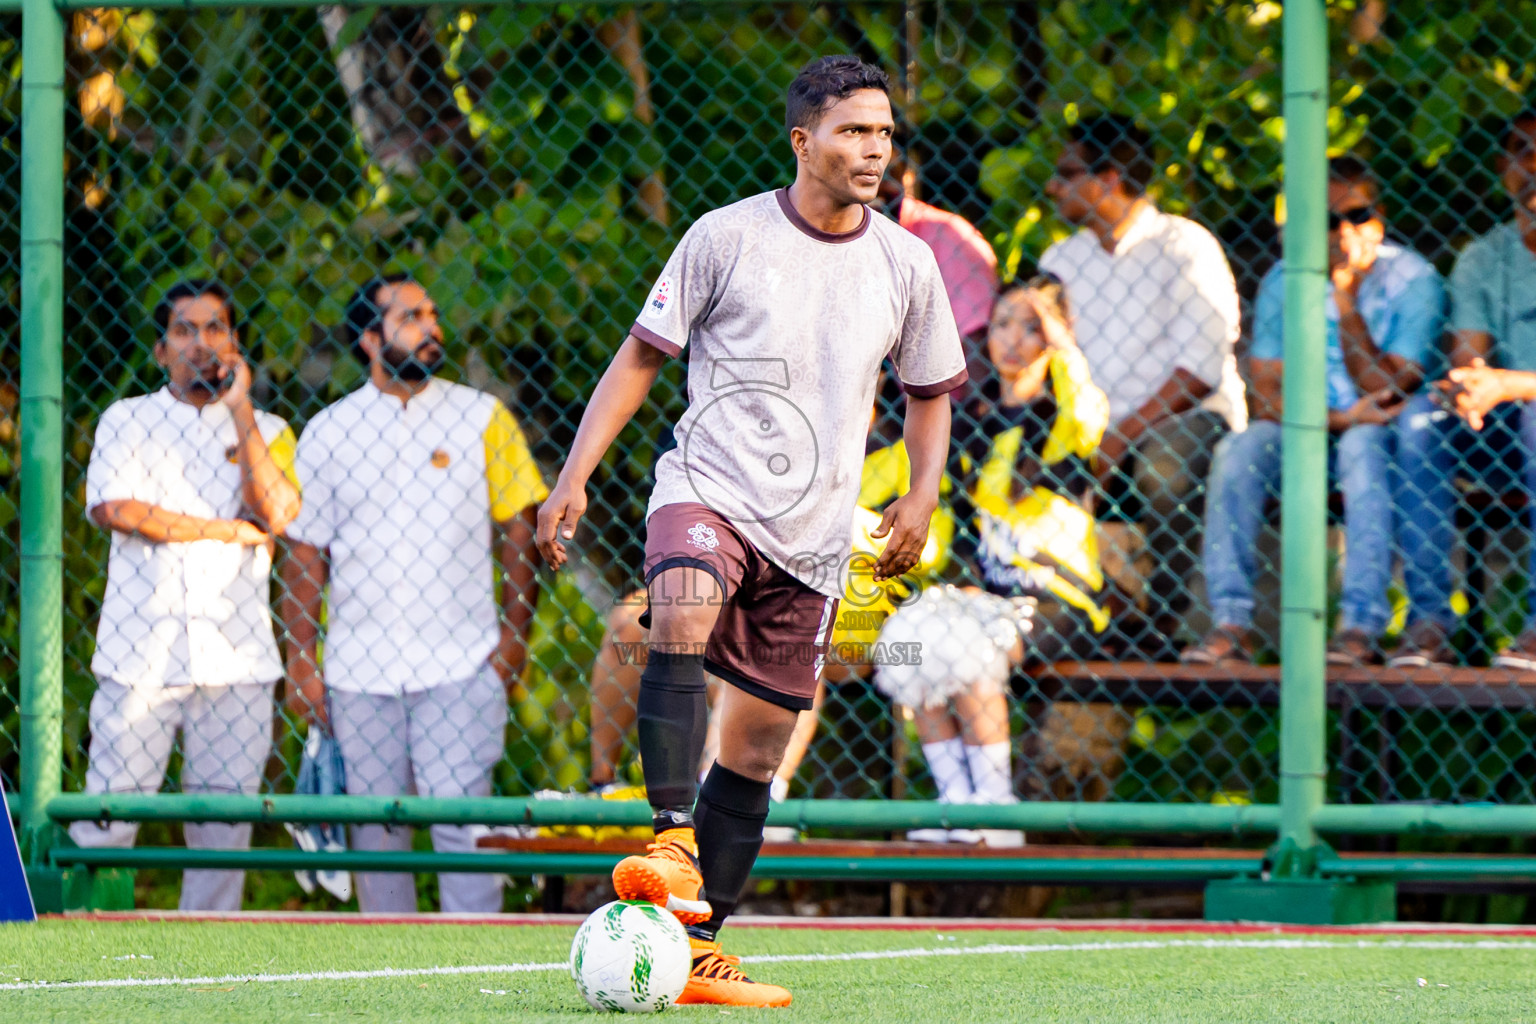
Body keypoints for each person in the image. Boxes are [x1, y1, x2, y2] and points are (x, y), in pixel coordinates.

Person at [536, 56, 966, 1007]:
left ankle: (701, 947)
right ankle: (669, 834)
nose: (875, 150)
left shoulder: (907, 261)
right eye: (855, 131)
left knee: (761, 748)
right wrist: (572, 478)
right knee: (677, 610)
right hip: (707, 491)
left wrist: (922, 497)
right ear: (803, 140)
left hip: (813, 538)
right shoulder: (723, 237)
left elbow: (930, 394)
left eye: (885, 133)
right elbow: (640, 359)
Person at [279, 274, 546, 912]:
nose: (433, 328)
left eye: (432, 313)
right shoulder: (326, 431)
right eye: (411, 316)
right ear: (370, 339)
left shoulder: (484, 416)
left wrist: (512, 641)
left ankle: (480, 974)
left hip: (464, 662)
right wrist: (301, 661)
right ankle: (393, 975)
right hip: (355, 671)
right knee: (377, 834)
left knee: (464, 826)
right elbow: (304, 556)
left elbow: (519, 531)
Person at [70, 279, 301, 911]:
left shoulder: (270, 428)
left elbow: (278, 512)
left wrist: (243, 410)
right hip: (137, 653)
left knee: (223, 836)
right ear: (160, 348)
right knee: (109, 816)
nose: (202, 343)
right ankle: (81, 939)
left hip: (239, 660)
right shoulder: (128, 418)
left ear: (235, 343)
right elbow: (117, 507)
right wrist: (225, 531)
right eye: (184, 329)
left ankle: (208, 969)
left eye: (215, 329)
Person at [874, 275, 1110, 844]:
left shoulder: (1061, 421)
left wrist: (1064, 344)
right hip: (986, 598)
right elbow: (945, 523)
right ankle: (957, 806)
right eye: (1004, 323)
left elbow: (1089, 415)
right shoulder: (972, 422)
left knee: (968, 654)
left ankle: (997, 811)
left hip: (1058, 599)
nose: (1014, 338)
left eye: (1032, 327)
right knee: (909, 644)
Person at [1185, 157, 1442, 666]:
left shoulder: (1416, 279)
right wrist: (1341, 417)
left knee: (1362, 448)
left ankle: (1359, 626)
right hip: (1310, 425)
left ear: (1380, 218)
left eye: (1357, 215)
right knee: (1240, 448)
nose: (1342, 231)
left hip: (1384, 435)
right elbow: (1265, 395)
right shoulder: (1285, 279)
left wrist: (1344, 298)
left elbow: (1390, 388)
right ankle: (1232, 622)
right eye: (1326, 220)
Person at [1040, 113, 1244, 657]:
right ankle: (1065, 620)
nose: (1052, 186)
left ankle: (1161, 626)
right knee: (1018, 459)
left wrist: (1118, 436)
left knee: (1164, 468)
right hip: (1085, 419)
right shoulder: (1061, 260)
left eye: (1067, 172)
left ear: (1108, 180)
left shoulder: (1184, 245)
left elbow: (1199, 371)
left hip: (1183, 417)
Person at [1391, 108, 1536, 668]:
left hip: (1526, 416)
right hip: (1499, 427)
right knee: (1419, 422)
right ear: (1504, 169)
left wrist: (1505, 384)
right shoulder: (1482, 255)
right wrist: (1473, 383)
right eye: (1522, 150)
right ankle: (1429, 621)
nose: (1533, 164)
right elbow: (1469, 356)